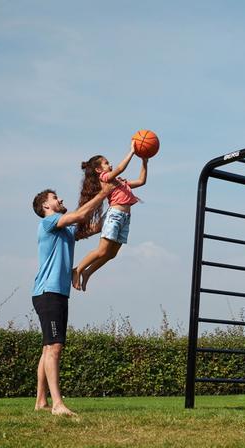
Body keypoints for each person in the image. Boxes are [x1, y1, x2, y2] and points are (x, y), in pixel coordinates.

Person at [31, 183, 113, 416]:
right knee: (54, 347)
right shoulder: (47, 223)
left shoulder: (65, 230)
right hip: (48, 292)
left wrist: (117, 202)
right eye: (55, 198)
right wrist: (104, 192)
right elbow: (81, 214)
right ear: (46, 205)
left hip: (55, 293)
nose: (60, 199)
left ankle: (41, 401)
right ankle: (57, 404)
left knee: (48, 348)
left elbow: (94, 226)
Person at [72, 141, 149, 291]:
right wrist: (132, 152)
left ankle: (87, 272)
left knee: (111, 254)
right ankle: (77, 269)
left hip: (125, 219)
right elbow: (120, 168)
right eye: (106, 163)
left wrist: (144, 162)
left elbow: (141, 181)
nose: (110, 164)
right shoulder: (105, 178)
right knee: (102, 251)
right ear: (99, 169)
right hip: (115, 216)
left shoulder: (119, 182)